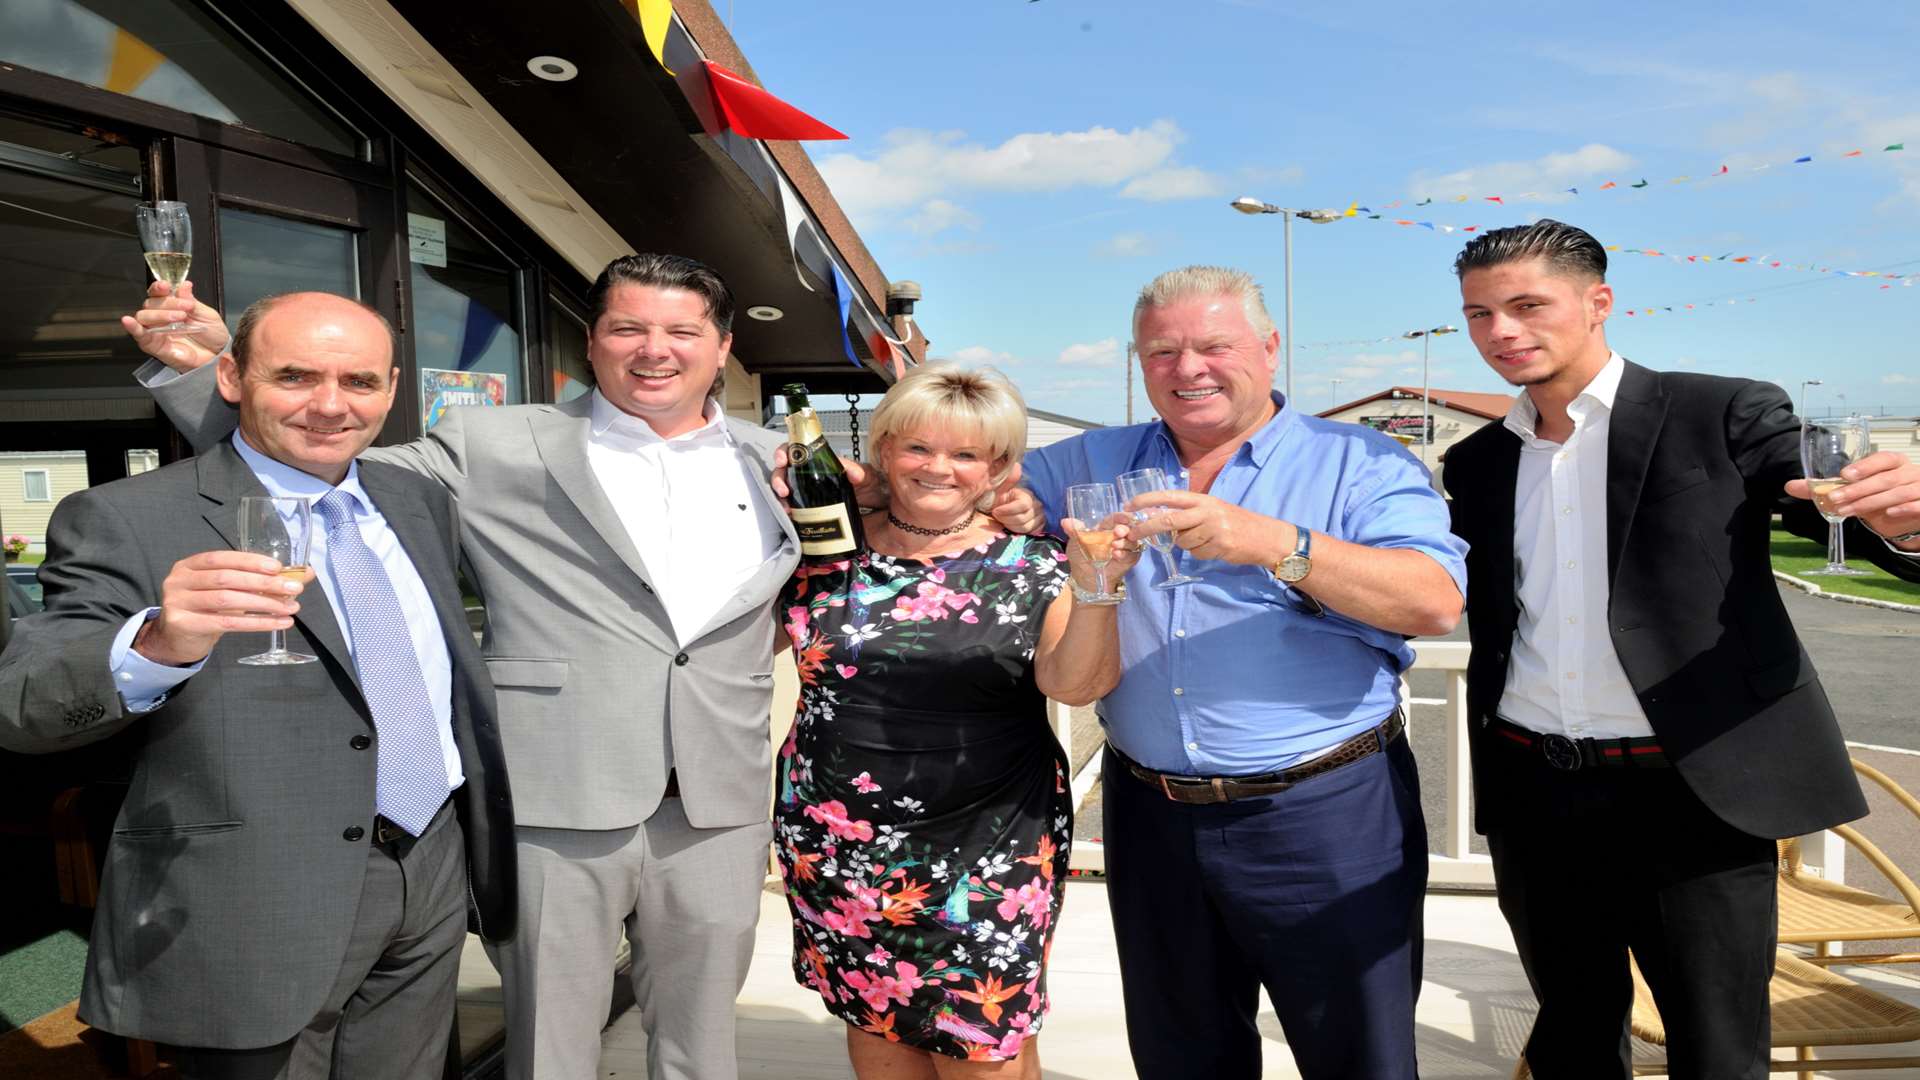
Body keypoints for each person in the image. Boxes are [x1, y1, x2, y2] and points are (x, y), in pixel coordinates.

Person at [123, 255, 795, 1080]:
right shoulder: (493, 442)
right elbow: (315, 455)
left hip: (718, 801)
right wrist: (211, 373)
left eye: (681, 331)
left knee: (704, 1043)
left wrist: (1006, 505)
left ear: (721, 346)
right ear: (594, 341)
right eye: (628, 327)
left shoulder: (782, 465)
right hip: (557, 796)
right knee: (550, 1046)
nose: (653, 350)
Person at [1441, 220, 1920, 1079]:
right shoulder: (1478, 461)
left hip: (1693, 792)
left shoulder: (1720, 411)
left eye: (1525, 305)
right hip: (1537, 790)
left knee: (1718, 1053)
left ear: (1598, 303)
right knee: (1574, 1038)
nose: (1500, 332)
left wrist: (1900, 521)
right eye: (1479, 314)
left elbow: (1822, 496)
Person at [1, 293, 516, 1079]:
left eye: (360, 381)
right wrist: (157, 642)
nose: (331, 404)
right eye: (297, 376)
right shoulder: (126, 517)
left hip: (432, 866)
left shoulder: (415, 501)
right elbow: (24, 706)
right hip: (254, 898)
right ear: (232, 376)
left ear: (392, 387)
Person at [993, 266, 1467, 1078]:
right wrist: (898, 491)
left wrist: (1277, 545)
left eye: (1215, 345)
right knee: (1183, 1058)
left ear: (1271, 348)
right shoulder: (1089, 459)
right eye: (1162, 352)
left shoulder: (1359, 460)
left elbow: (1434, 602)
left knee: (1360, 1058)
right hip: (1149, 814)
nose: (1189, 369)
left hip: (1325, 814)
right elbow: (952, 481)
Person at [775, 364, 1139, 1078]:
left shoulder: (1033, 563)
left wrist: (1098, 590)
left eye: (966, 454)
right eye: (917, 447)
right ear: (884, 449)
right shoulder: (822, 548)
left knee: (982, 1038)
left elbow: (1076, 685)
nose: (938, 467)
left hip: (987, 842)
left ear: (998, 468)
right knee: (874, 1016)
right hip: (836, 838)